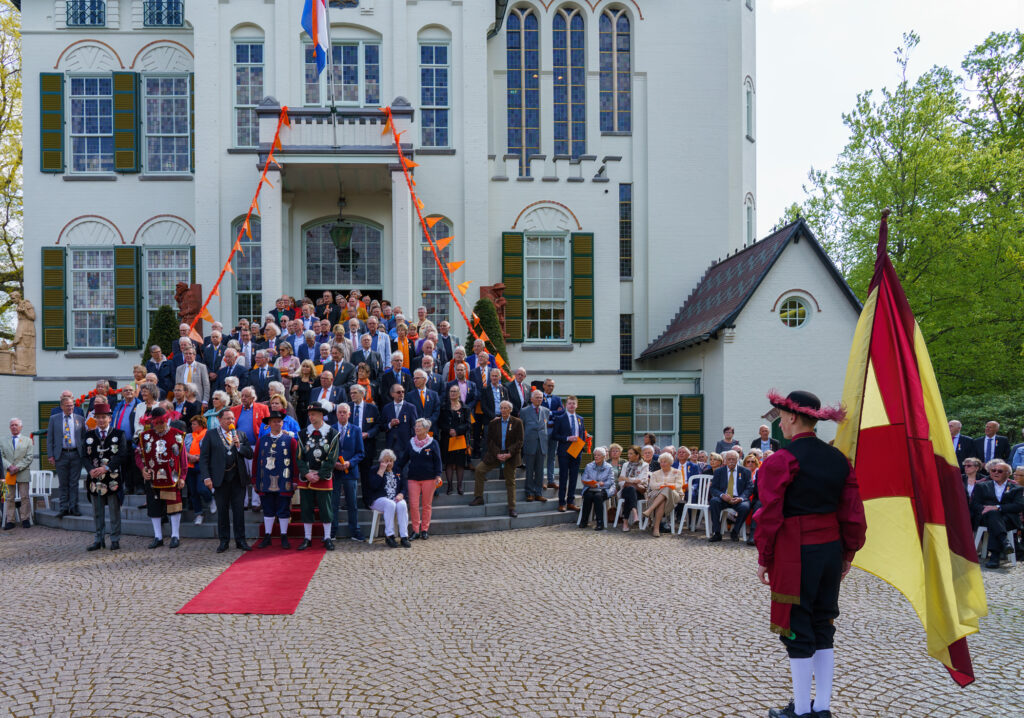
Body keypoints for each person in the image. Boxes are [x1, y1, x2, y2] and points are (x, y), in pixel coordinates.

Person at [756, 390, 866, 718]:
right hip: (831, 548)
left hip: (796, 550)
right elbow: (852, 512)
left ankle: (802, 710)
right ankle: (822, 707)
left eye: (779, 417)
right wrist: (847, 551)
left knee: (797, 625)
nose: (778, 425)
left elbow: (770, 512)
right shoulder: (838, 459)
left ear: (791, 417)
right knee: (823, 623)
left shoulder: (781, 460)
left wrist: (764, 556)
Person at [197, 408, 252, 552]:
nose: (231, 421)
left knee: (239, 512)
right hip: (219, 480)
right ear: (220, 420)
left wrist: (239, 446)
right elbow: (204, 458)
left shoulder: (240, 434)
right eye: (227, 419)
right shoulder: (210, 435)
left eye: (232, 418)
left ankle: (241, 540)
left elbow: (250, 454)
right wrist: (207, 477)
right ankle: (224, 541)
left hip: (238, 479)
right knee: (222, 512)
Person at [137, 406, 188, 549]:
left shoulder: (177, 435)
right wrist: (142, 469)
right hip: (152, 479)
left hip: (172, 479)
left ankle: (175, 536)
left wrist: (183, 476)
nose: (159, 426)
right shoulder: (145, 436)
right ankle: (158, 537)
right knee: (154, 508)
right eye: (156, 423)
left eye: (162, 422)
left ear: (167, 420)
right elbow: (137, 455)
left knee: (173, 507)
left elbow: (183, 459)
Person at [80, 405, 127, 551]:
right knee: (97, 511)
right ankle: (99, 539)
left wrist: (106, 468)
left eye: (104, 417)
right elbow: (84, 456)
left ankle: (114, 539)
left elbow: (122, 454)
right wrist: (90, 470)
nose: (101, 420)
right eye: (98, 417)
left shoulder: (119, 434)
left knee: (114, 510)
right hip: (94, 478)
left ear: (109, 418)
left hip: (111, 477)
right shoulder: (89, 435)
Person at [295, 401, 338, 551]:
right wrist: (306, 473)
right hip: (306, 477)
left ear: (321, 415)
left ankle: (327, 537)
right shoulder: (302, 433)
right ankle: (307, 538)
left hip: (323, 477)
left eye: (313, 414)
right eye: (309, 414)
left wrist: (319, 474)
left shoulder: (332, 433)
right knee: (306, 508)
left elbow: (332, 457)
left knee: (325, 508)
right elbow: (299, 457)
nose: (311, 417)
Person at [252, 410, 298, 549]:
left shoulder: (291, 440)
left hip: (284, 479)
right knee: (268, 508)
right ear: (269, 424)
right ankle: (267, 536)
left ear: (282, 423)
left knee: (284, 509)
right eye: (274, 421)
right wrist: (254, 479)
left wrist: (295, 479)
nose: (277, 423)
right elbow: (256, 460)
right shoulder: (262, 440)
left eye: (279, 421)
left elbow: (295, 461)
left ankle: (284, 536)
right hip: (265, 479)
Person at [469, 400, 524, 518]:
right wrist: (498, 454)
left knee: (510, 481)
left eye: (505, 408)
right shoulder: (494, 423)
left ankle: (512, 507)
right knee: (479, 469)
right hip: (495, 454)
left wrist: (509, 453)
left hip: (511, 456)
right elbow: (489, 441)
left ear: (510, 410)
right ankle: (479, 497)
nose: (503, 410)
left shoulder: (517, 422)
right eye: (501, 408)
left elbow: (520, 441)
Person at [971, 459, 1023, 568]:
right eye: (993, 470)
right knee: (993, 515)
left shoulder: (1016, 488)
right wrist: (987, 509)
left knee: (994, 515)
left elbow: (1019, 506)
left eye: (1000, 471)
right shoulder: (982, 486)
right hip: (985, 517)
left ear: (1008, 474)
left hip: (1008, 520)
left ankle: (995, 557)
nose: (995, 473)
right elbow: (975, 505)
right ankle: (1004, 543)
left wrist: (998, 507)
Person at [397, 418, 443, 539]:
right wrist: (395, 469)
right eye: (415, 426)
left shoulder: (433, 443)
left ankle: (424, 530)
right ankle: (415, 530)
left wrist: (438, 475)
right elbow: (403, 460)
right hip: (413, 478)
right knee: (413, 505)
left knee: (427, 505)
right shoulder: (411, 442)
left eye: (419, 426)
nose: (416, 428)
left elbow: (438, 461)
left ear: (426, 429)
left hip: (429, 479)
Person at [47, 393, 86, 518]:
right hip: (61, 454)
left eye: (72, 405)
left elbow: (83, 437)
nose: (70, 408)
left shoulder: (80, 419)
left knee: (74, 482)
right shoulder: (54, 418)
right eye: (68, 406)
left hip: (76, 454)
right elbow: (50, 439)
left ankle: (74, 507)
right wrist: (50, 455)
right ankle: (63, 508)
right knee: (63, 483)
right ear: (62, 406)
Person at [331, 402, 365, 543]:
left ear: (349, 414)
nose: (342, 414)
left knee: (352, 503)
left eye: (345, 412)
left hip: (350, 472)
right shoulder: (330, 430)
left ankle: (355, 531)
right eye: (340, 412)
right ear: (336, 414)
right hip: (335, 472)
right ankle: (332, 531)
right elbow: (327, 451)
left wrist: (350, 463)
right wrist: (334, 464)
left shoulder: (356, 430)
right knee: (333, 503)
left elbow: (361, 453)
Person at [362, 449, 411, 548]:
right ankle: (389, 536)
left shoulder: (398, 470)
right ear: (381, 462)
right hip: (377, 499)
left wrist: (401, 494)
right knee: (390, 504)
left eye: (390, 461)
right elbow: (373, 486)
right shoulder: (374, 470)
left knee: (402, 504)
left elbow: (404, 486)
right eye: (386, 461)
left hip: (394, 499)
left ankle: (404, 536)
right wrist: (381, 471)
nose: (388, 463)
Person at [708, 449, 754, 542]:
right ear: (725, 460)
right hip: (723, 499)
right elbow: (713, 488)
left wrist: (741, 498)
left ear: (738, 460)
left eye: (733, 459)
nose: (731, 461)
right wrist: (722, 495)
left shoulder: (745, 472)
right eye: (729, 459)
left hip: (738, 498)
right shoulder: (719, 471)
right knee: (714, 502)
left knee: (745, 507)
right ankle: (717, 533)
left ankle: (735, 532)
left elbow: (749, 488)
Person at [552, 395, 586, 512]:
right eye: (569, 403)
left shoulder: (580, 419)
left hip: (577, 452)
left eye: (573, 403)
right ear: (566, 405)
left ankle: (571, 502)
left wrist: (582, 446)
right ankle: (562, 502)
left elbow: (582, 435)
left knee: (573, 477)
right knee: (563, 477)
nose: (571, 405)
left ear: (576, 405)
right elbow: (554, 435)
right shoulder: (560, 418)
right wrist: (567, 438)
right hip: (564, 452)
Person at [437, 384, 471, 495]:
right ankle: (450, 486)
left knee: (460, 463)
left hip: (460, 439)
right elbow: (440, 423)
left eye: (455, 391)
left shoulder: (465, 408)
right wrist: (449, 430)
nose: (453, 393)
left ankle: (460, 486)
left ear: (459, 393)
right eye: (451, 391)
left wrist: (457, 430)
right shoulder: (443, 407)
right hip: (447, 439)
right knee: (449, 463)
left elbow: (468, 424)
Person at [641, 452, 683, 538]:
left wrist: (668, 486)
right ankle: (656, 529)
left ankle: (650, 510)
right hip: (657, 495)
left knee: (667, 490)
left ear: (670, 463)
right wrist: (664, 484)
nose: (662, 464)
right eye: (661, 462)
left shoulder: (677, 472)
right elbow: (652, 486)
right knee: (663, 498)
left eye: (665, 462)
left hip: (674, 495)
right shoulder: (655, 473)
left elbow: (679, 486)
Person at [520, 389, 550, 502]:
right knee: (529, 470)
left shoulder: (546, 411)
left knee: (540, 470)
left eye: (541, 397)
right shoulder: (524, 411)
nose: (539, 399)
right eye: (537, 397)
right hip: (529, 444)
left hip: (542, 445)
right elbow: (521, 428)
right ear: (531, 399)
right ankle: (529, 493)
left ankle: (538, 493)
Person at [184, 415, 214, 525]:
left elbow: (211, 450)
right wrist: (189, 456)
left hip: (202, 466)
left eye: (194, 424)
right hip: (190, 465)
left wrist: (198, 457)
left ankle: (210, 499)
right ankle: (198, 513)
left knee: (201, 488)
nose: (191, 426)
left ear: (201, 425)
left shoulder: (209, 435)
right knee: (193, 492)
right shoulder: (187, 436)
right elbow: (183, 449)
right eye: (191, 424)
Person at [348, 384, 381, 483]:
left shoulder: (372, 408)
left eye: (355, 393)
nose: (352, 395)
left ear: (362, 394)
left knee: (367, 477)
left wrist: (368, 434)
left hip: (366, 446)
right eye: (351, 393)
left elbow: (378, 425)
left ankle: (367, 499)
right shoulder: (347, 407)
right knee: (350, 478)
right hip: (350, 446)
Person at [578, 447, 616, 530]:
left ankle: (600, 523)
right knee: (588, 496)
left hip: (604, 489)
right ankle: (583, 521)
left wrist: (598, 485)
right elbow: (584, 479)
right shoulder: (589, 466)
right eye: (595, 455)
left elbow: (610, 482)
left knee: (597, 497)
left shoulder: (609, 467)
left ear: (603, 456)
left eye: (598, 455)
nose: (596, 457)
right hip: (590, 488)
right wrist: (593, 483)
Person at [382, 383, 418, 464]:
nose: (401, 394)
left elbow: (414, 427)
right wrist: (390, 425)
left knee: (405, 472)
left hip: (405, 444)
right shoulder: (387, 408)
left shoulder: (411, 407)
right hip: (391, 445)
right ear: (392, 394)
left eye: (403, 392)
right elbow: (382, 426)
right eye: (398, 392)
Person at [617, 446, 649, 532]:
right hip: (626, 490)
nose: (628, 456)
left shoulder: (644, 465)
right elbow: (620, 482)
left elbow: (643, 481)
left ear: (637, 455)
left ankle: (625, 522)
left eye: (631, 454)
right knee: (630, 490)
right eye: (628, 454)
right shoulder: (625, 465)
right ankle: (635, 512)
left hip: (639, 492)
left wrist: (627, 480)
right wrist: (634, 481)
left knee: (630, 490)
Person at [541, 378, 565, 490]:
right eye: (549, 385)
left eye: (552, 386)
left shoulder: (557, 398)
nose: (551, 388)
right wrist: (553, 412)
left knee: (552, 457)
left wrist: (550, 412)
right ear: (544, 386)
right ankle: (540, 480)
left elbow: (562, 412)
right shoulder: (539, 397)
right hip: (542, 430)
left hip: (554, 430)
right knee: (542, 455)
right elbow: (539, 411)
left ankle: (551, 480)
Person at [175, 344, 211, 409]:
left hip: (197, 399)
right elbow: (177, 385)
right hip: (183, 400)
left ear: (194, 355)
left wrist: (205, 400)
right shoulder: (179, 368)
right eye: (186, 354)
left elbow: (206, 385)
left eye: (190, 353)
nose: (188, 355)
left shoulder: (201, 367)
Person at [291, 359, 318, 427]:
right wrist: (293, 389)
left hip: (310, 406)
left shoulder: (314, 380)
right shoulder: (296, 379)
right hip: (298, 406)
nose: (305, 368)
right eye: (303, 366)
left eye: (307, 366)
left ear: (311, 369)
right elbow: (291, 393)